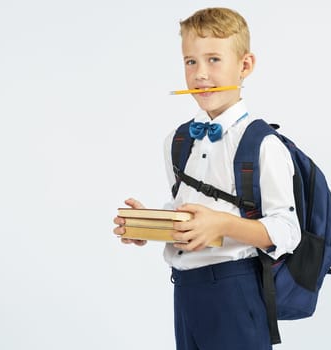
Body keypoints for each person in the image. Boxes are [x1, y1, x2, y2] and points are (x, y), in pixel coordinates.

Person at [112, 7, 301, 350]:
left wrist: (223, 225)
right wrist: (152, 224)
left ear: (245, 66)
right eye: (190, 62)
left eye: (214, 59)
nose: (200, 74)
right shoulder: (178, 140)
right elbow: (189, 210)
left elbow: (288, 231)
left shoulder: (263, 145)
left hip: (235, 290)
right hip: (184, 290)